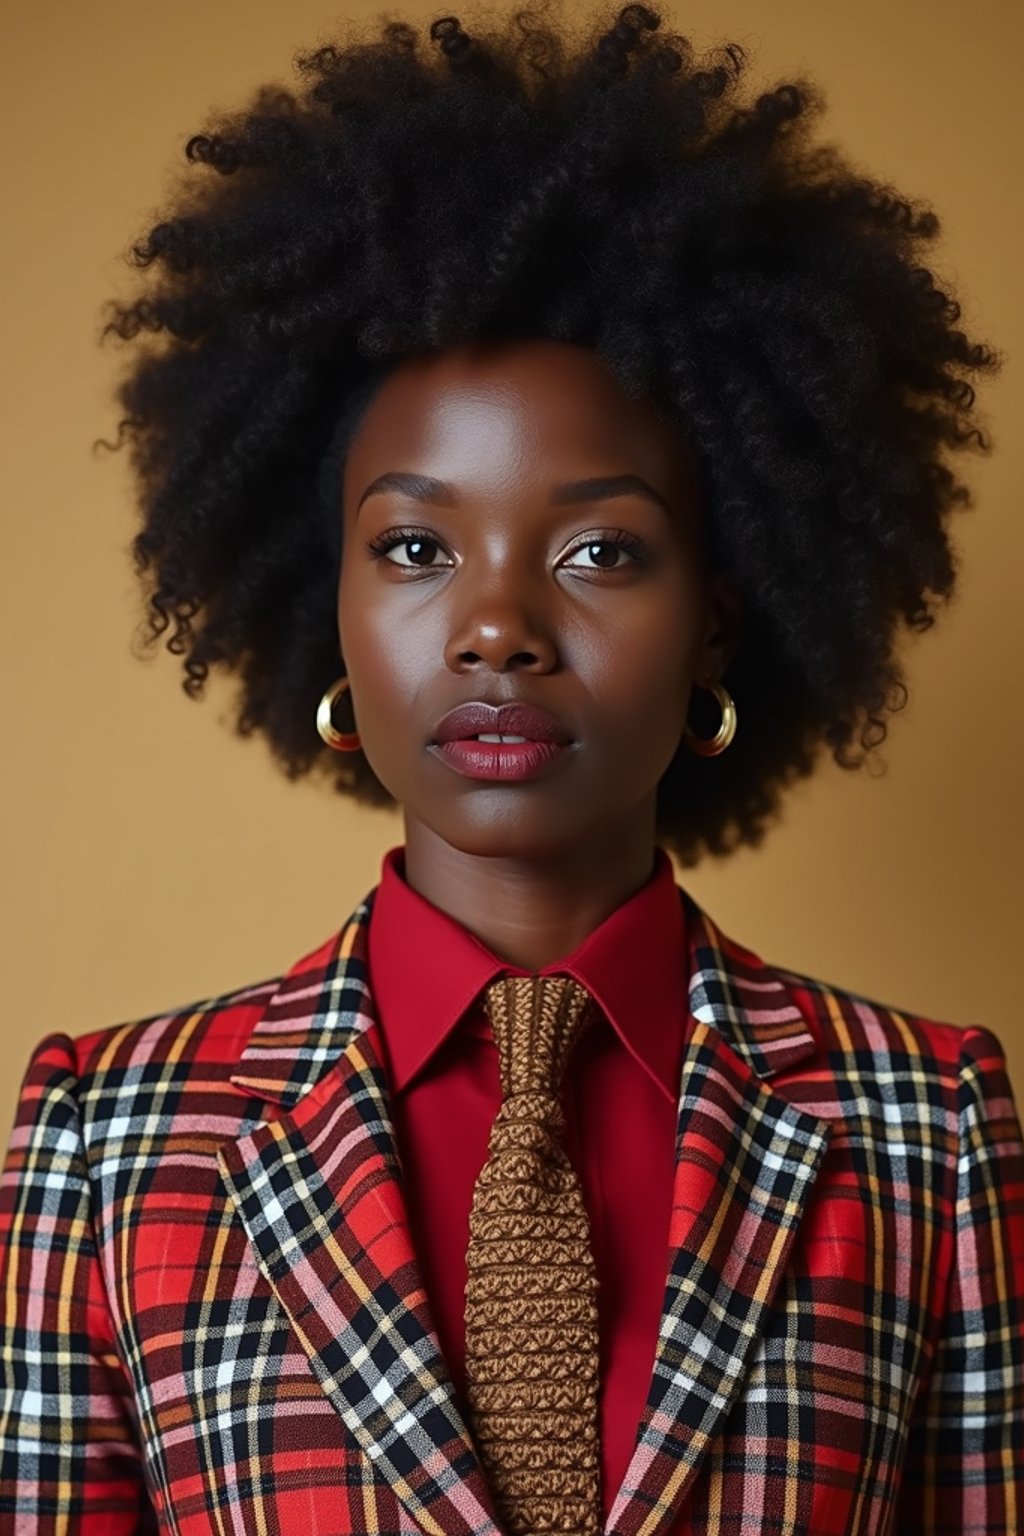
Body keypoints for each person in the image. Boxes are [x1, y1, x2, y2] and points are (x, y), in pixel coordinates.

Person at [2, 3, 1022, 1532]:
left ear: (719, 625)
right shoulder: (111, 1138)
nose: (494, 627)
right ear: (322, 604)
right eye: (414, 547)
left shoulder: (925, 1126)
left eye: (602, 550)